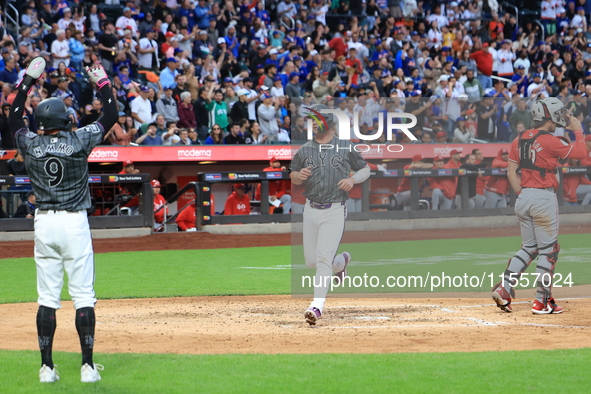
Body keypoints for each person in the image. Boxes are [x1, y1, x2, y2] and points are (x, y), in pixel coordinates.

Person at [9, 57, 117, 383]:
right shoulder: (79, 139)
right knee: (82, 296)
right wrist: (103, 83)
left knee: (47, 298)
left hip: (43, 222)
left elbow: (14, 115)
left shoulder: (29, 141)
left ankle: (46, 368)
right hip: (74, 222)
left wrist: (27, 80)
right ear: (62, 118)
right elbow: (111, 114)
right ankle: (86, 367)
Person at [492, 98, 587, 315]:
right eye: (558, 113)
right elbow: (581, 153)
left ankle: (505, 288)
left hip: (523, 197)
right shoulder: (550, 140)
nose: (561, 117)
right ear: (549, 115)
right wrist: (578, 131)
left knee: (530, 247)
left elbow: (510, 173)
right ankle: (541, 301)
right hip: (543, 198)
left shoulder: (518, 139)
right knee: (549, 250)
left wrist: (524, 194)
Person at [290, 104, 370, 326]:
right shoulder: (305, 149)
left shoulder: (345, 146)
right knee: (311, 261)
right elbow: (293, 175)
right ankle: (341, 262)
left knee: (323, 260)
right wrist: (299, 175)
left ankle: (316, 306)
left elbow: (365, 169)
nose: (314, 124)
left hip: (334, 209)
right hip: (310, 208)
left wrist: (353, 179)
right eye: (312, 121)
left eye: (317, 120)